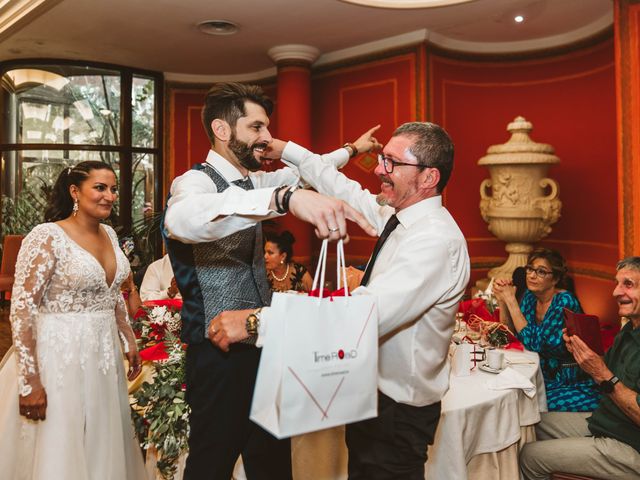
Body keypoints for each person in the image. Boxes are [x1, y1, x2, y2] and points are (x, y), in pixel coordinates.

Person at [210, 121, 470, 479]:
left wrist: (256, 321)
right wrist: (286, 149)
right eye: (382, 159)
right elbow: (343, 189)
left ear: (428, 178)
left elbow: (362, 314)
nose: (379, 169)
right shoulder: (400, 218)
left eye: (392, 163)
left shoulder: (435, 241)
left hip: (398, 414)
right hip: (371, 397)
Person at [161, 82, 376, 480]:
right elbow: (182, 219)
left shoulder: (252, 182)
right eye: (257, 128)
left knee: (273, 458)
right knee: (212, 460)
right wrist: (283, 200)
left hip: (264, 339)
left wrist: (353, 150)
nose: (267, 138)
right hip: (217, 350)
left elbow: (309, 169)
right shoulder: (194, 184)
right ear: (223, 131)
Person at [0, 161, 147, 479]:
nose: (109, 195)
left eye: (113, 188)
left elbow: (113, 295)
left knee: (100, 438)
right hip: (59, 356)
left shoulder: (109, 234)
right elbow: (23, 309)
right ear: (74, 191)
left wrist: (128, 338)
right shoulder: (47, 237)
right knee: (62, 439)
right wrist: (30, 382)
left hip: (103, 356)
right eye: (99, 187)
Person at [519, 256, 640, 479]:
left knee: (528, 455)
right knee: (525, 423)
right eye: (617, 283)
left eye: (628, 284)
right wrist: (581, 353)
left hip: (631, 443)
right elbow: (604, 373)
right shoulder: (630, 330)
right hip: (606, 421)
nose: (615, 292)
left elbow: (607, 378)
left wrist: (602, 373)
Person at [493, 248, 599, 412]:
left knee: (523, 403)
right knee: (505, 395)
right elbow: (509, 335)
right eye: (530, 269)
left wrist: (511, 300)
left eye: (541, 272)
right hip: (540, 374)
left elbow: (534, 343)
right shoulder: (530, 296)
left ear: (555, 278)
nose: (532, 276)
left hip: (570, 381)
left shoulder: (564, 302)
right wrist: (502, 301)